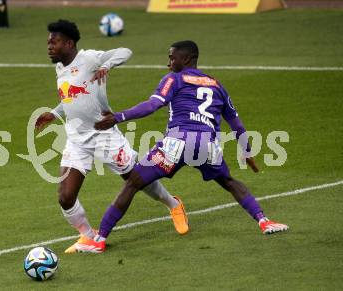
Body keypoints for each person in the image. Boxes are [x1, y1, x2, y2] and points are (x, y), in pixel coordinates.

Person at [79, 40, 288, 253]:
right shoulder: (217, 85)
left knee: (132, 183)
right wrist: (247, 150)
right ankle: (264, 221)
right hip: (208, 147)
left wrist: (118, 117)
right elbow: (236, 123)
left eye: (172, 57)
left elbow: (153, 105)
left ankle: (100, 239)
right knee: (229, 181)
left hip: (176, 144)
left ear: (186, 59)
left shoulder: (175, 79)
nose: (168, 63)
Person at [35, 20, 189, 253]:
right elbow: (72, 97)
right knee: (65, 196)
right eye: (48, 42)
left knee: (136, 178)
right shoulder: (60, 68)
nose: (49, 46)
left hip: (104, 135)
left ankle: (174, 204)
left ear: (68, 43)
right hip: (77, 139)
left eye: (53, 42)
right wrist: (55, 113)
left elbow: (125, 52)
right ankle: (88, 236)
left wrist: (107, 65)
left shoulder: (88, 59)